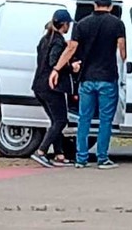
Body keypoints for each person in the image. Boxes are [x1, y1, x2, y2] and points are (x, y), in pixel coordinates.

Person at [49, 0, 126, 170]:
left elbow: (71, 48)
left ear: (94, 5)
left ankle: (81, 158)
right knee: (105, 119)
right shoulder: (117, 24)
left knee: (84, 118)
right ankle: (102, 158)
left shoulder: (81, 25)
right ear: (110, 6)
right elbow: (122, 50)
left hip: (86, 78)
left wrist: (56, 69)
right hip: (107, 77)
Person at [30, 9, 81, 168]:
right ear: (64, 24)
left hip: (39, 85)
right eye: (68, 24)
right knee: (60, 120)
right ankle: (41, 151)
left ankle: (59, 155)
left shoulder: (45, 39)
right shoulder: (58, 41)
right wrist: (71, 67)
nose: (69, 27)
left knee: (55, 121)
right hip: (52, 87)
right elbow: (54, 62)